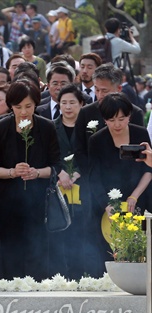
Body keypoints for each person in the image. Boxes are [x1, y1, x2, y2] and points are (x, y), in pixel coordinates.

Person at [0, 79, 61, 281]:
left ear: (36, 104)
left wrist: (36, 173)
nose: (24, 112)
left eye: (29, 106)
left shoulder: (46, 127)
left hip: (38, 202)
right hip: (6, 203)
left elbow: (56, 166)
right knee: (8, 252)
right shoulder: (0, 127)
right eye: (18, 107)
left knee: (36, 250)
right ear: (11, 106)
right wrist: (12, 172)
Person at [88, 92, 152, 274]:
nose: (117, 124)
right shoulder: (97, 140)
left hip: (139, 198)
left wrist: (134, 196)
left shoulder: (140, 133)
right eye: (111, 120)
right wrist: (107, 205)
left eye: (122, 119)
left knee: (139, 249)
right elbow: (94, 177)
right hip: (108, 206)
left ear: (129, 116)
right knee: (109, 251)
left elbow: (148, 169)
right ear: (104, 119)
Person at [54, 84, 86, 279]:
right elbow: (48, 154)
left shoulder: (89, 127)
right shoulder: (50, 126)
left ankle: (81, 275)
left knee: (81, 233)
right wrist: (60, 172)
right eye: (63, 103)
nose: (68, 107)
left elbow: (91, 154)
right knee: (60, 232)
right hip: (58, 186)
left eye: (72, 103)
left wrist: (77, 173)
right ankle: (61, 276)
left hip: (83, 187)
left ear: (81, 104)